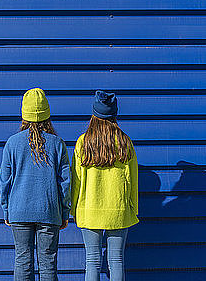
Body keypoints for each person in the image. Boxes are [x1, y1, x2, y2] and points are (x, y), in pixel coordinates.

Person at [0, 88, 71, 281]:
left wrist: (6, 210)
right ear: (47, 114)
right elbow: (65, 183)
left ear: (24, 115)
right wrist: (64, 212)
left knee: (23, 261)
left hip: (19, 210)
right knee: (48, 263)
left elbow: (4, 181)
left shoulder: (12, 144)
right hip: (49, 211)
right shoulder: (57, 144)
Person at [71, 90, 139, 281]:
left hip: (89, 210)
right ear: (114, 114)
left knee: (92, 261)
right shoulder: (125, 142)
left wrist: (73, 208)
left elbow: (77, 180)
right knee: (116, 260)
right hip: (118, 209)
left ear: (94, 114)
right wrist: (133, 207)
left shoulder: (83, 142)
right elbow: (133, 179)